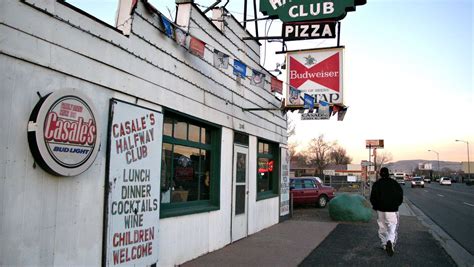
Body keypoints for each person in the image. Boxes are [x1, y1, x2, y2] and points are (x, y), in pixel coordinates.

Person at [370, 167, 403, 257]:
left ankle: (384, 244)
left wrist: (375, 206)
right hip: (392, 209)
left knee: (382, 226)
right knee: (392, 226)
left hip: (380, 209)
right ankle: (390, 241)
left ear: (380, 174)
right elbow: (400, 196)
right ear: (388, 174)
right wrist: (396, 205)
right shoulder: (394, 183)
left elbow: (372, 197)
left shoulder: (377, 184)